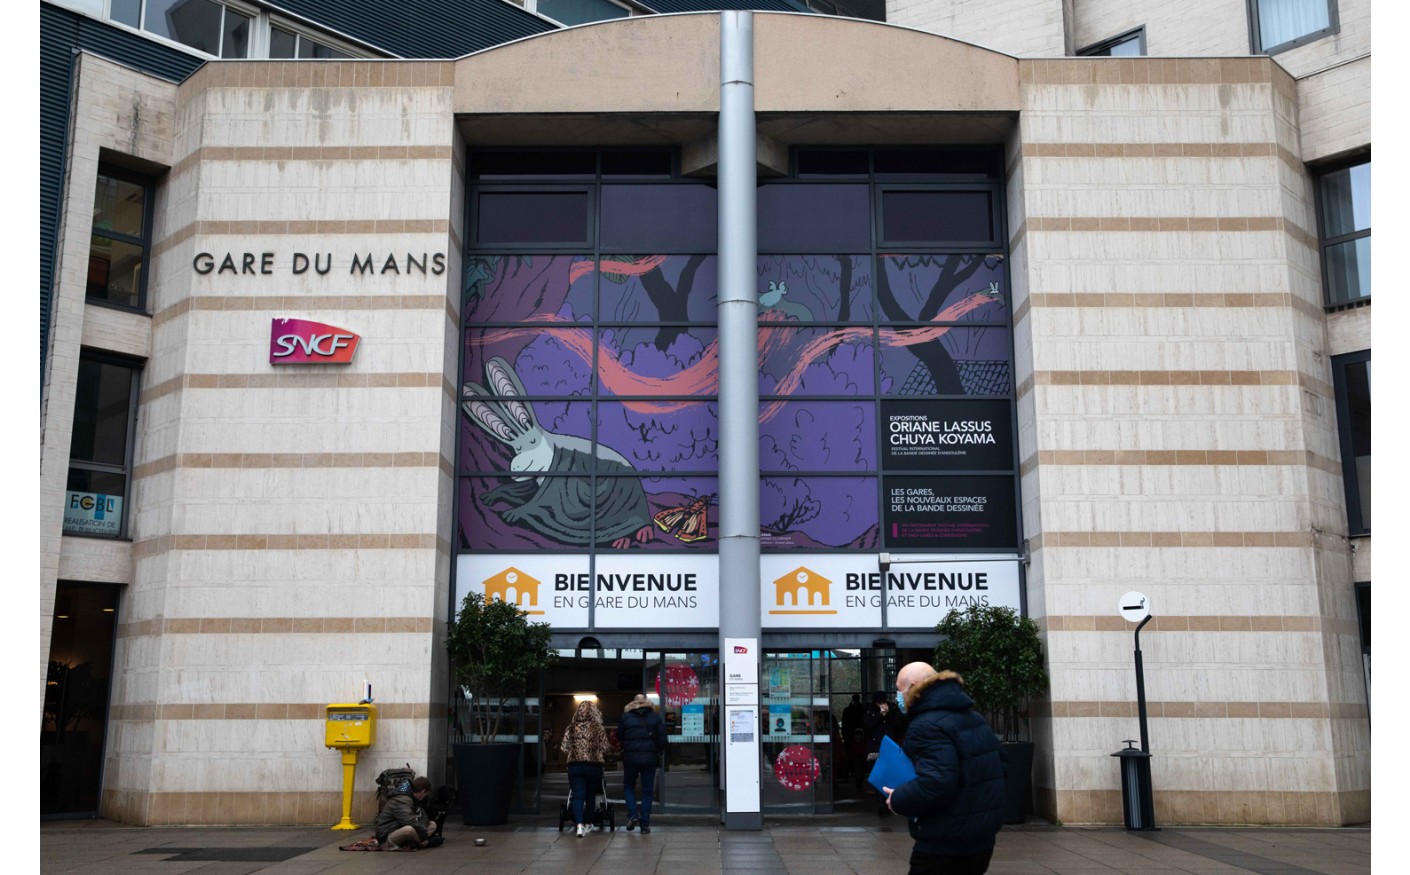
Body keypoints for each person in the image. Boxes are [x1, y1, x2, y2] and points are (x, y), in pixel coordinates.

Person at [881, 662, 1006, 875]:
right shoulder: (972, 717)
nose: (898, 696)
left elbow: (936, 782)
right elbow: (1000, 765)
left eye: (899, 689)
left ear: (912, 686)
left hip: (944, 844)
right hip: (980, 840)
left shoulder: (927, 724)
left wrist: (898, 799)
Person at [615, 693, 666, 834]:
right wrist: (656, 750)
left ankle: (632, 815)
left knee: (629, 786)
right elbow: (663, 740)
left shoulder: (625, 718)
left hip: (631, 759)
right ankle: (645, 825)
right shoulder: (655, 718)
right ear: (647, 703)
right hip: (649, 759)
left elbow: (619, 736)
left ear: (633, 703)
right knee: (647, 791)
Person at [560, 698, 611, 838]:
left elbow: (564, 748)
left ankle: (579, 826)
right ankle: (588, 823)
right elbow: (606, 748)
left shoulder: (570, 728)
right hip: (594, 766)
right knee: (590, 796)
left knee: (577, 796)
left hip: (575, 766)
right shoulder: (598, 728)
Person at [863, 690, 907, 813]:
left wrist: (888, 715)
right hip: (875, 748)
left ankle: (891, 801)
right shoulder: (870, 710)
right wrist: (879, 715)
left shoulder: (893, 709)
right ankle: (881, 803)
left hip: (891, 747)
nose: (882, 705)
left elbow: (900, 725)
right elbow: (868, 726)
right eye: (879, 703)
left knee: (891, 774)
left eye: (883, 702)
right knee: (878, 775)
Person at [375, 776, 437, 850]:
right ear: (423, 791)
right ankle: (423, 842)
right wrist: (424, 835)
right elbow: (408, 820)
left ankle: (418, 842)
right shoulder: (402, 799)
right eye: (425, 794)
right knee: (409, 830)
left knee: (432, 824)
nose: (424, 797)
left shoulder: (413, 797)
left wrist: (423, 831)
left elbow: (423, 816)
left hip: (400, 828)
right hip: (387, 835)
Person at [841, 693, 866, 787]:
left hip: (850, 737)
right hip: (858, 736)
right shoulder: (862, 710)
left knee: (853, 758)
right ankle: (857, 776)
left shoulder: (848, 710)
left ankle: (853, 773)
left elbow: (845, 724)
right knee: (859, 760)